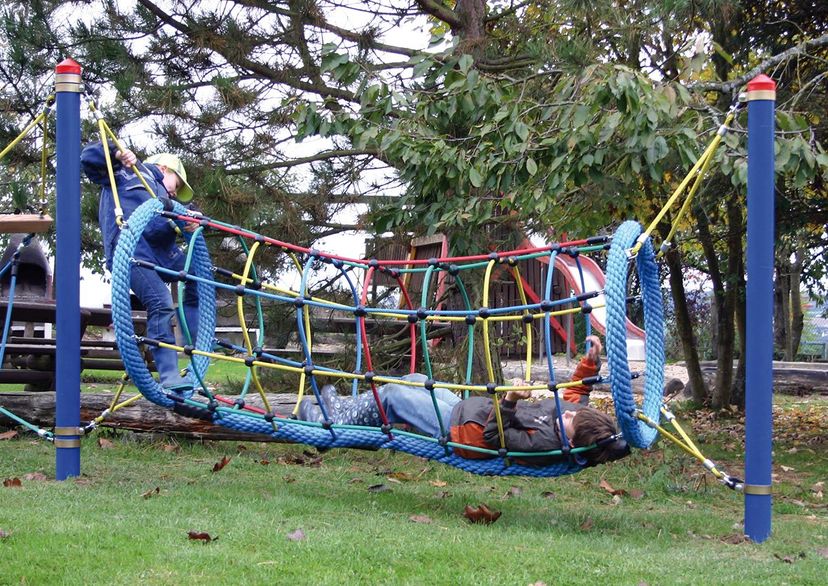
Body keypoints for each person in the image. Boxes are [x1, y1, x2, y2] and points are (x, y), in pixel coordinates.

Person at [298, 337, 629, 467]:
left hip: (461, 433)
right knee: (412, 381)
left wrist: (510, 401)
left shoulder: (545, 444)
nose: (567, 413)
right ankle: (342, 409)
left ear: (570, 441)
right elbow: (575, 397)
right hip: (465, 408)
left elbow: (494, 439)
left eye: (570, 419)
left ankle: (329, 426)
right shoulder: (569, 418)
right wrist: (590, 361)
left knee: (394, 396)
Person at [81, 143, 200, 391]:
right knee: (161, 302)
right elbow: (89, 158)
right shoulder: (128, 172)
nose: (175, 193)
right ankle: (168, 374)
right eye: (176, 185)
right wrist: (115, 153)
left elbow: (158, 230)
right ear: (165, 169)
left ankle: (197, 339)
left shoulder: (163, 199)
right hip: (132, 252)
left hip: (158, 254)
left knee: (198, 272)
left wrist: (189, 221)